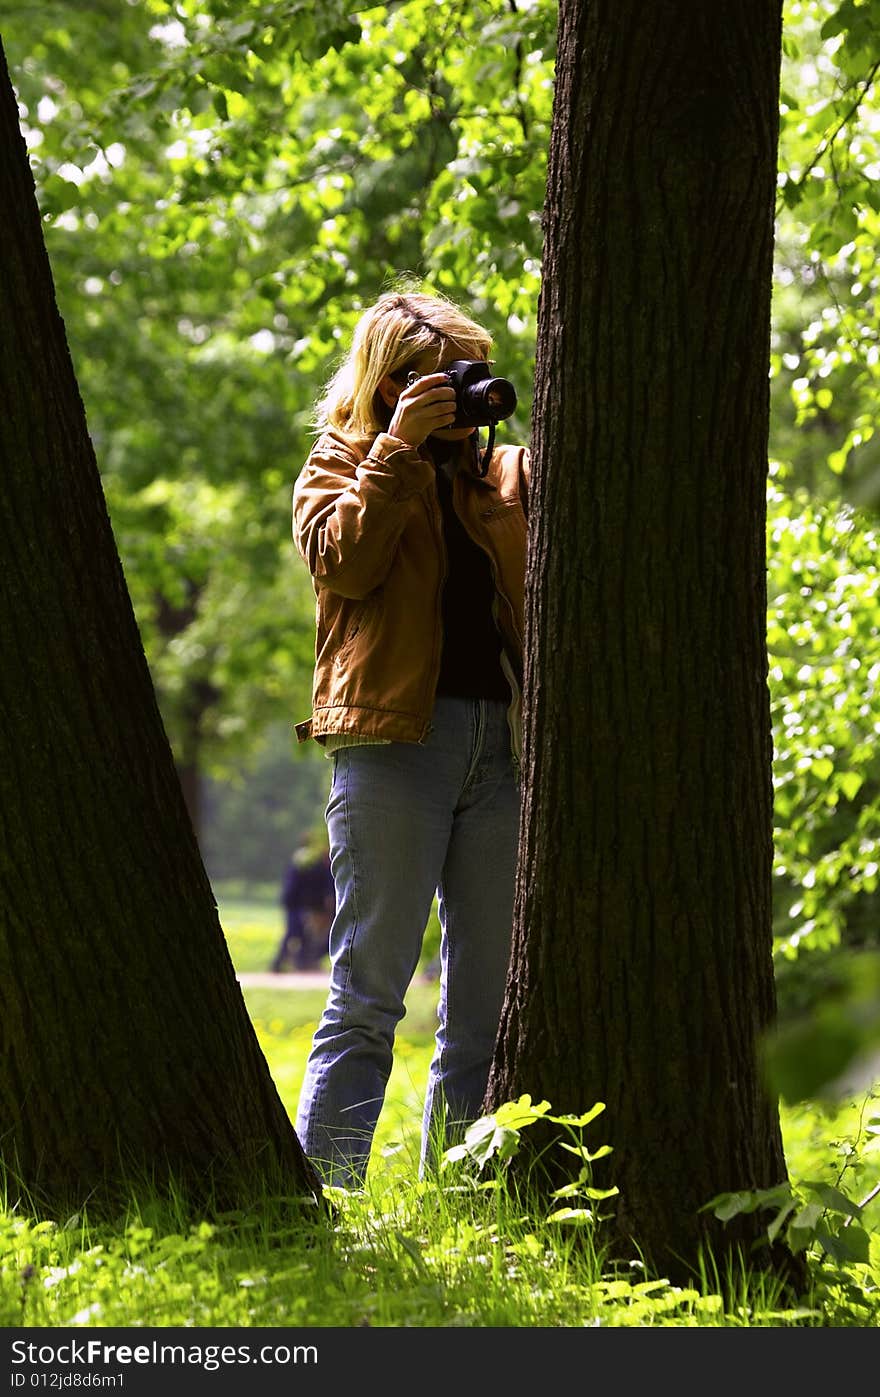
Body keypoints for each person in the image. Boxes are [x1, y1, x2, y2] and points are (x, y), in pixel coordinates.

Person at [290, 287, 529, 1187]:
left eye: (467, 376)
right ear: (386, 386)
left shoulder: (503, 476)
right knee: (368, 993)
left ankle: (461, 1202)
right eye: (436, 381)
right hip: (394, 746)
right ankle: (326, 1199)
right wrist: (394, 452)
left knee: (483, 1008)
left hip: (502, 750)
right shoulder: (341, 462)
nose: (460, 397)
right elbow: (344, 564)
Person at [270, 832, 335, 973]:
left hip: (297, 902)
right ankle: (294, 963)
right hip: (303, 903)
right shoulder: (310, 860)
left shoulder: (301, 859)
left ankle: (298, 963)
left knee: (299, 933)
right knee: (297, 932)